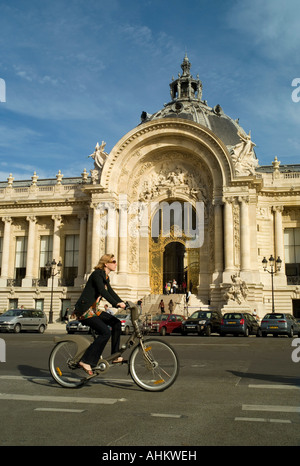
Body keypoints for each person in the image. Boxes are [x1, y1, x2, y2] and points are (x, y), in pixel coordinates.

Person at [72, 253, 125, 375]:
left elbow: (110, 292)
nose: (116, 264)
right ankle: (86, 361)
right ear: (106, 263)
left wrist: (122, 302)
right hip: (85, 311)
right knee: (105, 332)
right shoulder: (97, 274)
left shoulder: (106, 277)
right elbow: (102, 291)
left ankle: (115, 355)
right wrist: (116, 304)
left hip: (94, 310)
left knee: (116, 323)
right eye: (114, 261)